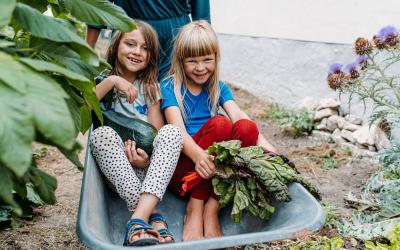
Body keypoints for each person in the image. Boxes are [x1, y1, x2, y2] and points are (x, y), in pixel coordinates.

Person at [160, 20, 277, 241]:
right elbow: (178, 131)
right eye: (192, 61)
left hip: (213, 174)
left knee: (245, 127)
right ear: (180, 61)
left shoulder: (218, 87)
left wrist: (272, 152)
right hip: (185, 170)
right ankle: (194, 208)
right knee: (221, 124)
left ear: (216, 58)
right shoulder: (170, 87)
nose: (201, 67)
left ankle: (211, 208)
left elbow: (242, 119)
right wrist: (199, 156)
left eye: (207, 60)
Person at [90, 20, 183, 246]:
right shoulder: (102, 81)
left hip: (149, 173)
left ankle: (137, 219)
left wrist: (147, 160)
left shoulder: (150, 88)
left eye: (144, 48)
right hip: (117, 172)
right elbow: (85, 104)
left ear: (150, 56)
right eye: (130, 44)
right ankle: (153, 215)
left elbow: (155, 134)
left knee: (172, 132)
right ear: (116, 46)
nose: (137, 52)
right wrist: (113, 81)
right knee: (100, 134)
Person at [87, 0, 210, 81]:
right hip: (131, 30)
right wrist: (86, 53)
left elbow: (201, 14)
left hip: (175, 36)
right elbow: (98, 4)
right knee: (123, 95)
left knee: (172, 95)